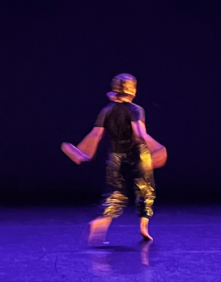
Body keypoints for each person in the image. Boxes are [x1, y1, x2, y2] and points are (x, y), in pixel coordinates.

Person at [62, 73, 166, 245]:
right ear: (132, 90)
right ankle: (144, 228)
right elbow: (140, 134)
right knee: (145, 189)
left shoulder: (107, 110)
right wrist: (158, 148)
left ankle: (99, 224)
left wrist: (84, 152)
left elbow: (95, 134)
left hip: (115, 156)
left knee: (115, 193)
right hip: (138, 154)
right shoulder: (135, 109)